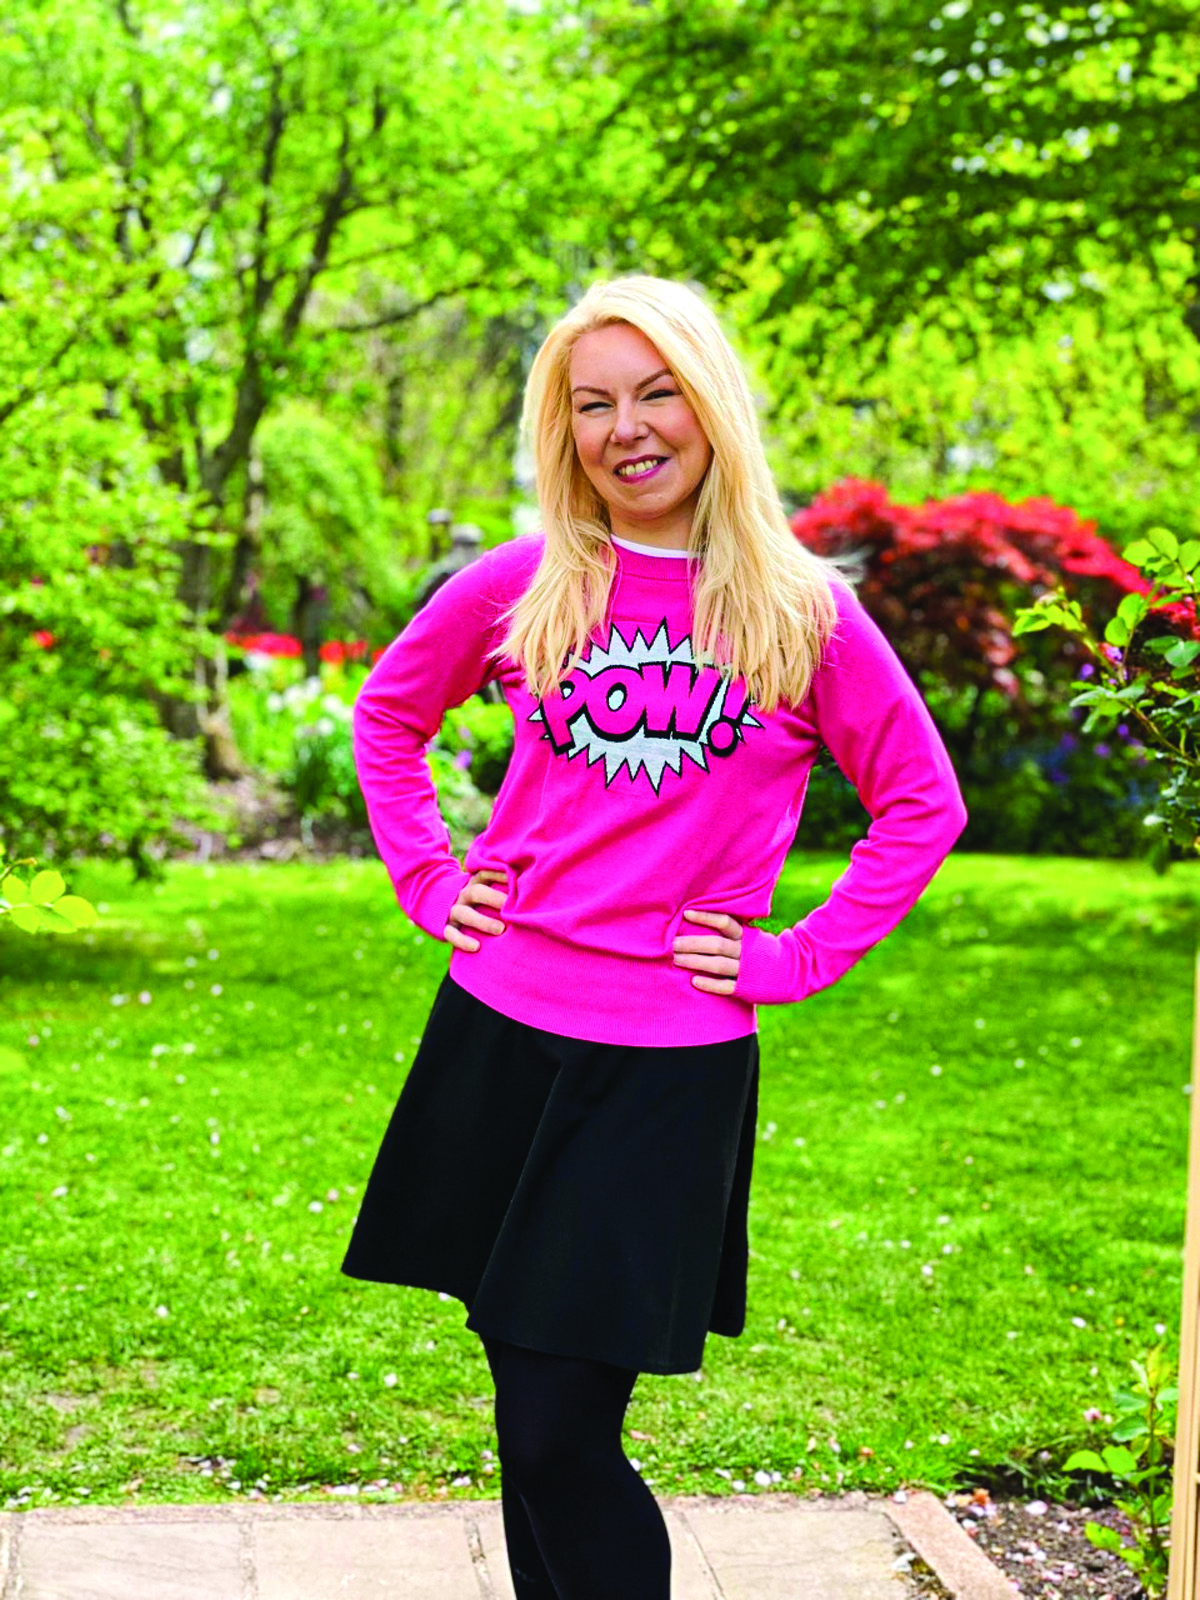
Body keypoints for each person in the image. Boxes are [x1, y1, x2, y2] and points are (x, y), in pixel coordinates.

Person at [341, 275, 967, 1600]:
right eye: (592, 403)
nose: (627, 427)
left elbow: (922, 802)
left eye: (656, 391)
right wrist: (426, 875)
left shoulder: (800, 614)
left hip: (664, 1064)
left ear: (711, 404)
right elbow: (389, 716)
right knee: (529, 1409)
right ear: (563, 430)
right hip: (502, 1034)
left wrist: (794, 957)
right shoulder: (528, 583)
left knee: (568, 1418)